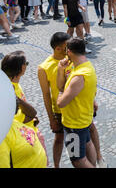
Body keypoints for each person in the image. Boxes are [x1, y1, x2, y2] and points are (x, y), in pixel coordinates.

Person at [56, 37, 98, 168]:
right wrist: (60, 70)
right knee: (88, 143)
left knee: (78, 160)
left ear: (69, 52)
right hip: (84, 117)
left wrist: (60, 95)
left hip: (74, 123)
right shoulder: (86, 66)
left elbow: (61, 102)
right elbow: (62, 86)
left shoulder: (79, 76)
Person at [38, 32, 71, 168]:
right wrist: (51, 119)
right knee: (59, 139)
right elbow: (46, 95)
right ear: (58, 49)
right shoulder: (44, 67)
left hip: (78, 106)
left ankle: (97, 157)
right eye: (66, 47)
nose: (69, 49)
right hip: (60, 110)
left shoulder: (72, 58)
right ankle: (56, 166)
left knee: (87, 135)